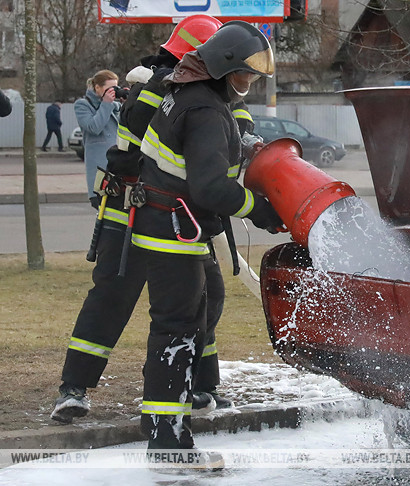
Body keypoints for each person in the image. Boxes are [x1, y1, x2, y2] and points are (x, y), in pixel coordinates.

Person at [50, 15, 227, 426]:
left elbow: (233, 130)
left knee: (204, 297)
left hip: (180, 218)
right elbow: (137, 146)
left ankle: (201, 385)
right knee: (111, 298)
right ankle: (73, 389)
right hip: (131, 211)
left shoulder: (205, 93)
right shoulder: (157, 89)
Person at [133, 20, 282, 465]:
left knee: (182, 324)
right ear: (221, 67)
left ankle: (162, 427)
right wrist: (261, 208)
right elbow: (212, 189)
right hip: (174, 231)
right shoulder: (206, 112)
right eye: (244, 75)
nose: (248, 85)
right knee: (177, 332)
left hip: (167, 225)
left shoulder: (185, 91)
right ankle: (168, 442)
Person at [74, 70, 120, 207]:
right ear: (97, 88)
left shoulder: (115, 106)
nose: (113, 92)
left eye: (115, 88)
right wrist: (106, 104)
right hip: (100, 170)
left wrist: (127, 103)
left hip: (118, 167)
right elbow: (94, 127)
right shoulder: (82, 105)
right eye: (109, 89)